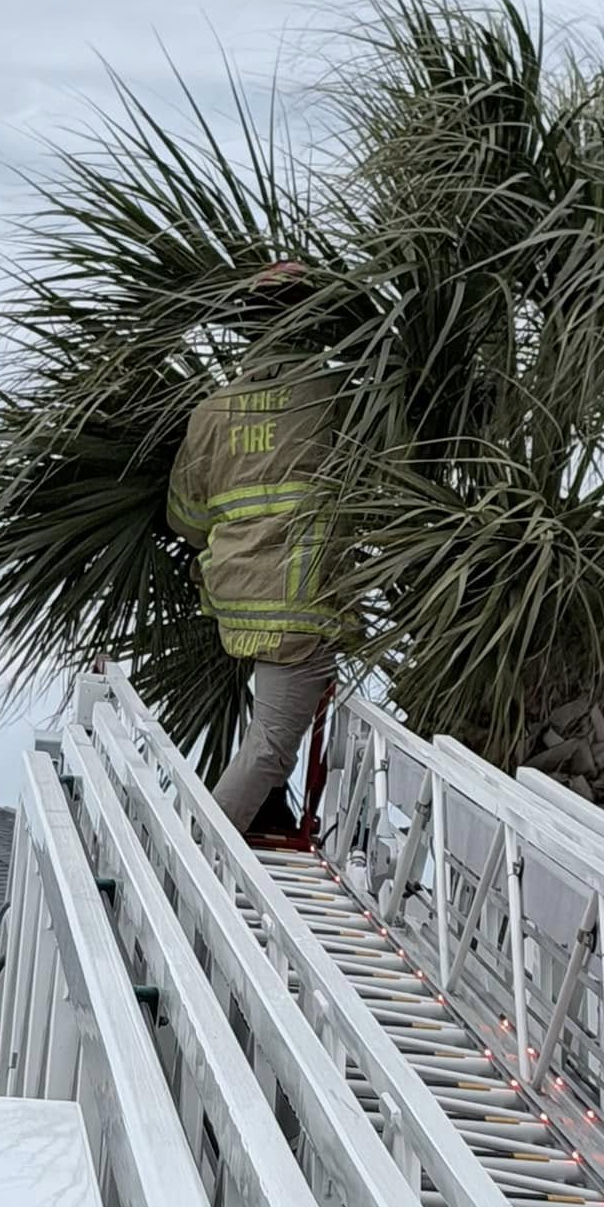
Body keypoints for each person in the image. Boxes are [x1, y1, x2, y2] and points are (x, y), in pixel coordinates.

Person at [167, 263, 344, 834]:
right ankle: (193, 851)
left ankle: (268, 813)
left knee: (268, 730)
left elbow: (187, 518)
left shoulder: (213, 411)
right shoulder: (336, 397)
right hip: (302, 603)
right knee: (270, 746)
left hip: (233, 598)